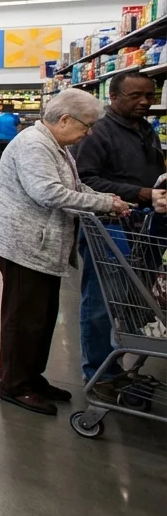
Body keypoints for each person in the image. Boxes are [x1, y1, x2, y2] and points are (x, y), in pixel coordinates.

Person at [0, 89, 130, 416]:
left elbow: (73, 187)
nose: (89, 132)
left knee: (43, 318)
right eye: (86, 125)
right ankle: (14, 386)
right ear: (64, 119)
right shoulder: (34, 145)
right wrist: (105, 203)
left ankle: (33, 377)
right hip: (22, 246)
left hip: (43, 246)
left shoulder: (56, 145)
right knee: (23, 319)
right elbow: (47, 192)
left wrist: (110, 199)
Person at [71, 71, 167, 394]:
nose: (144, 102)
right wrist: (141, 193)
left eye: (150, 96)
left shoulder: (145, 129)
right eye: (135, 96)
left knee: (128, 302)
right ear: (113, 97)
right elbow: (85, 181)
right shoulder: (96, 132)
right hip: (109, 229)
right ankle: (97, 374)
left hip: (143, 229)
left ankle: (113, 367)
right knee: (101, 302)